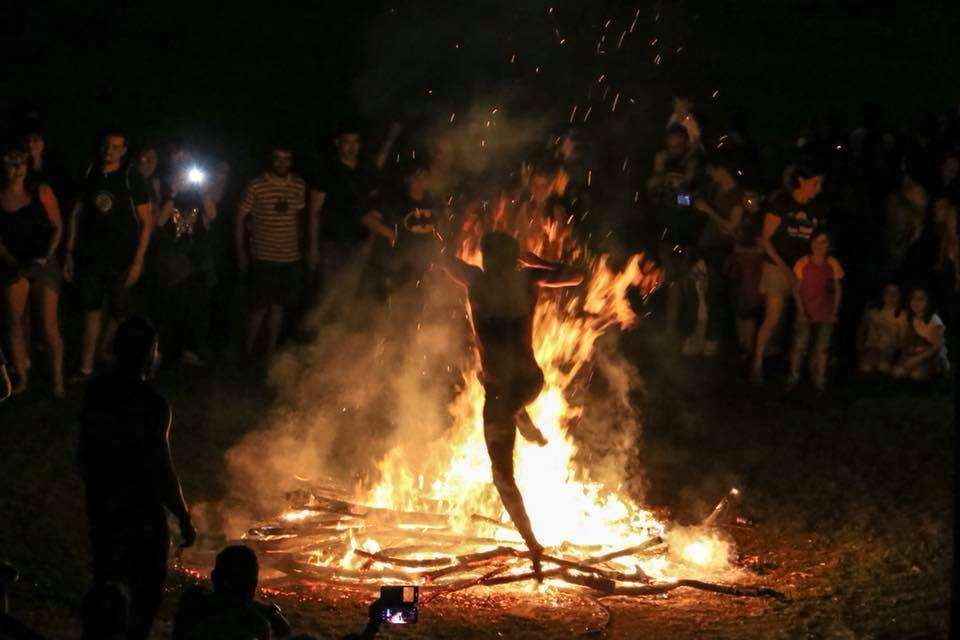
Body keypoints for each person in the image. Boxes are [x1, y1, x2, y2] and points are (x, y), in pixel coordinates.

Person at [441, 233, 585, 577]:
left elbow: (445, 259)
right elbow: (577, 274)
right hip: (520, 386)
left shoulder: (476, 279)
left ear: (486, 258)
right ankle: (532, 542)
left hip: (507, 389)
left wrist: (427, 231)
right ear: (515, 259)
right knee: (502, 470)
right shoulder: (527, 278)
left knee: (502, 474)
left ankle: (532, 540)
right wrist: (537, 261)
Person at [78, 317, 196, 640]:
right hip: (140, 509)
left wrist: (96, 491)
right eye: (155, 349)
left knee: (108, 578)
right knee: (146, 589)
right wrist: (183, 515)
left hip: (103, 503)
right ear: (149, 355)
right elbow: (162, 465)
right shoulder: (152, 403)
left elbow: (84, 453)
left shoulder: (96, 392)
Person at [65, 130, 154, 381]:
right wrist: (70, 251)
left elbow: (146, 221)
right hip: (92, 256)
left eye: (116, 147)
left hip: (122, 258)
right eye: (107, 146)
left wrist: (138, 261)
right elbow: (77, 212)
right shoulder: (90, 172)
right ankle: (86, 367)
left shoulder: (130, 177)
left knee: (121, 313)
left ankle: (117, 361)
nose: (110, 151)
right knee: (90, 311)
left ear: (124, 151)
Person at [751, 164, 827, 383]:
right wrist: (785, 269)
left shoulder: (816, 209)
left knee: (803, 317)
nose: (819, 188)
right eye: (815, 183)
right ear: (801, 181)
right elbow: (765, 240)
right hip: (776, 267)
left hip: (801, 268)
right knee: (773, 317)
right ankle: (757, 363)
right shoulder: (782, 203)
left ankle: (798, 367)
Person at [307, 122, 401, 299]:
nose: (351, 147)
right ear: (338, 143)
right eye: (346, 142)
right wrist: (313, 249)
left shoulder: (364, 168)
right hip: (332, 244)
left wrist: (390, 138)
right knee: (328, 295)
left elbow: (376, 171)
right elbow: (314, 212)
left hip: (358, 243)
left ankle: (340, 326)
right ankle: (321, 326)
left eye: (355, 142)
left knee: (349, 294)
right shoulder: (327, 172)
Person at [0, 148, 65, 396]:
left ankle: (57, 379)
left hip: (42, 261)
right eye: (10, 162)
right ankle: (23, 378)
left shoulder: (40, 191)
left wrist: (46, 255)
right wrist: (11, 260)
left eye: (21, 163)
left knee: (48, 324)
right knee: (14, 322)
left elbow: (57, 225)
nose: (16, 169)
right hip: (13, 263)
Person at [235, 144, 306, 358]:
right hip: (264, 258)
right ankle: (247, 352)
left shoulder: (298, 185)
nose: (282, 163)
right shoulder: (256, 186)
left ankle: (270, 353)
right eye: (278, 158)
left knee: (278, 307)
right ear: (270, 160)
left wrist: (302, 249)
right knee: (258, 309)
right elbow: (239, 219)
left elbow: (298, 218)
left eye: (287, 159)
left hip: (290, 258)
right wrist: (241, 253)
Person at [154, 151, 218, 365]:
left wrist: (204, 192)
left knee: (196, 307)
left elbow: (212, 215)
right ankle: (166, 349)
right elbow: (160, 221)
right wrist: (172, 194)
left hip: (196, 258)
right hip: (173, 257)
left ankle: (190, 350)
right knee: (171, 305)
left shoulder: (199, 193)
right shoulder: (165, 189)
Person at [685, 151, 744, 355]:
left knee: (714, 296)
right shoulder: (712, 188)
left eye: (713, 169)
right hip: (702, 249)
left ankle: (712, 340)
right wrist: (680, 197)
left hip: (721, 253)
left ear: (723, 171)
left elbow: (732, 228)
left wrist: (709, 211)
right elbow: (691, 201)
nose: (710, 173)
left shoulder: (736, 196)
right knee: (697, 295)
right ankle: (697, 336)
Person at [646, 124, 702, 336]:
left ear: (685, 143)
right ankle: (671, 329)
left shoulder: (693, 164)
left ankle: (692, 328)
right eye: (671, 146)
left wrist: (678, 194)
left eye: (678, 145)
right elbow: (652, 193)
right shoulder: (662, 163)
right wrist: (659, 170)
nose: (674, 149)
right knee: (671, 282)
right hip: (666, 232)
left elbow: (693, 200)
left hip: (687, 233)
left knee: (687, 283)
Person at [173, 545, 291, 640]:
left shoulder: (194, 603)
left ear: (214, 577)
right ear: (252, 583)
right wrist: (271, 613)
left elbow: (229, 602)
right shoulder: (253, 624)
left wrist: (269, 611)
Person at [788, 232, 844, 389]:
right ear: (811, 243)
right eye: (816, 242)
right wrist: (800, 310)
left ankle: (819, 377)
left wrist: (834, 311)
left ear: (828, 245)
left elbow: (838, 289)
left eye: (823, 242)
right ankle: (793, 376)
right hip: (806, 309)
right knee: (800, 345)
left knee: (822, 347)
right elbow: (796, 289)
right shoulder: (802, 263)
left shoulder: (833, 264)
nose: (819, 246)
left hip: (825, 311)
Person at [725, 219, 764, 358]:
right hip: (750, 290)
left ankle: (745, 346)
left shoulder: (739, 251)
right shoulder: (758, 252)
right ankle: (746, 346)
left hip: (744, 289)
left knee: (743, 318)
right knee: (747, 318)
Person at [892, 287, 949, 380]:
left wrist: (916, 359)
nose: (916, 302)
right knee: (897, 372)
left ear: (928, 302)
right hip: (918, 351)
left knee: (916, 375)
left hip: (933, 356)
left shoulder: (934, 320)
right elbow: (909, 340)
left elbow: (936, 347)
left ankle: (935, 373)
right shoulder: (912, 318)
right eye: (913, 299)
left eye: (921, 299)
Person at [857, 283, 907, 374]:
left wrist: (893, 350)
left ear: (900, 296)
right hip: (871, 346)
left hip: (889, 349)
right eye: (888, 293)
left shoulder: (902, 315)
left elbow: (903, 339)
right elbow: (862, 328)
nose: (891, 297)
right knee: (866, 367)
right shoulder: (872, 311)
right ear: (882, 294)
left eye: (895, 293)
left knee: (883, 366)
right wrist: (860, 347)